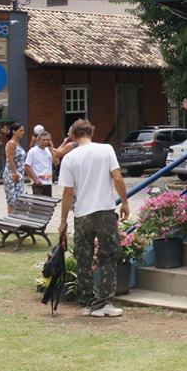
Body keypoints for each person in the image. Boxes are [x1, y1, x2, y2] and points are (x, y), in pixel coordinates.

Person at [57, 119, 129, 318]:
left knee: (83, 258)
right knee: (109, 255)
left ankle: (88, 302)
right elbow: (117, 177)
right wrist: (124, 201)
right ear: (92, 132)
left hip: (82, 213)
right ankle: (103, 301)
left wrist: (63, 220)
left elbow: (68, 192)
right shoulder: (106, 149)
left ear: (73, 135)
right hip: (104, 210)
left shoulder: (70, 158)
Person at [2, 123, 26, 213]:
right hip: (12, 175)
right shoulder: (11, 143)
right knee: (12, 199)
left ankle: (16, 219)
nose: (23, 132)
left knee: (19, 198)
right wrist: (15, 173)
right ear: (14, 131)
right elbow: (10, 159)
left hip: (20, 175)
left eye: (23, 130)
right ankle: (11, 219)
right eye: (20, 130)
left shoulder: (17, 143)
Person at [25, 131, 55, 196]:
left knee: (48, 204)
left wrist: (51, 150)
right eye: (44, 140)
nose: (46, 142)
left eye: (48, 140)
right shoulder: (33, 151)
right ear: (38, 140)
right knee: (38, 204)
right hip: (38, 182)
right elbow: (27, 166)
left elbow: (56, 162)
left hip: (48, 182)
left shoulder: (49, 150)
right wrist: (36, 180)